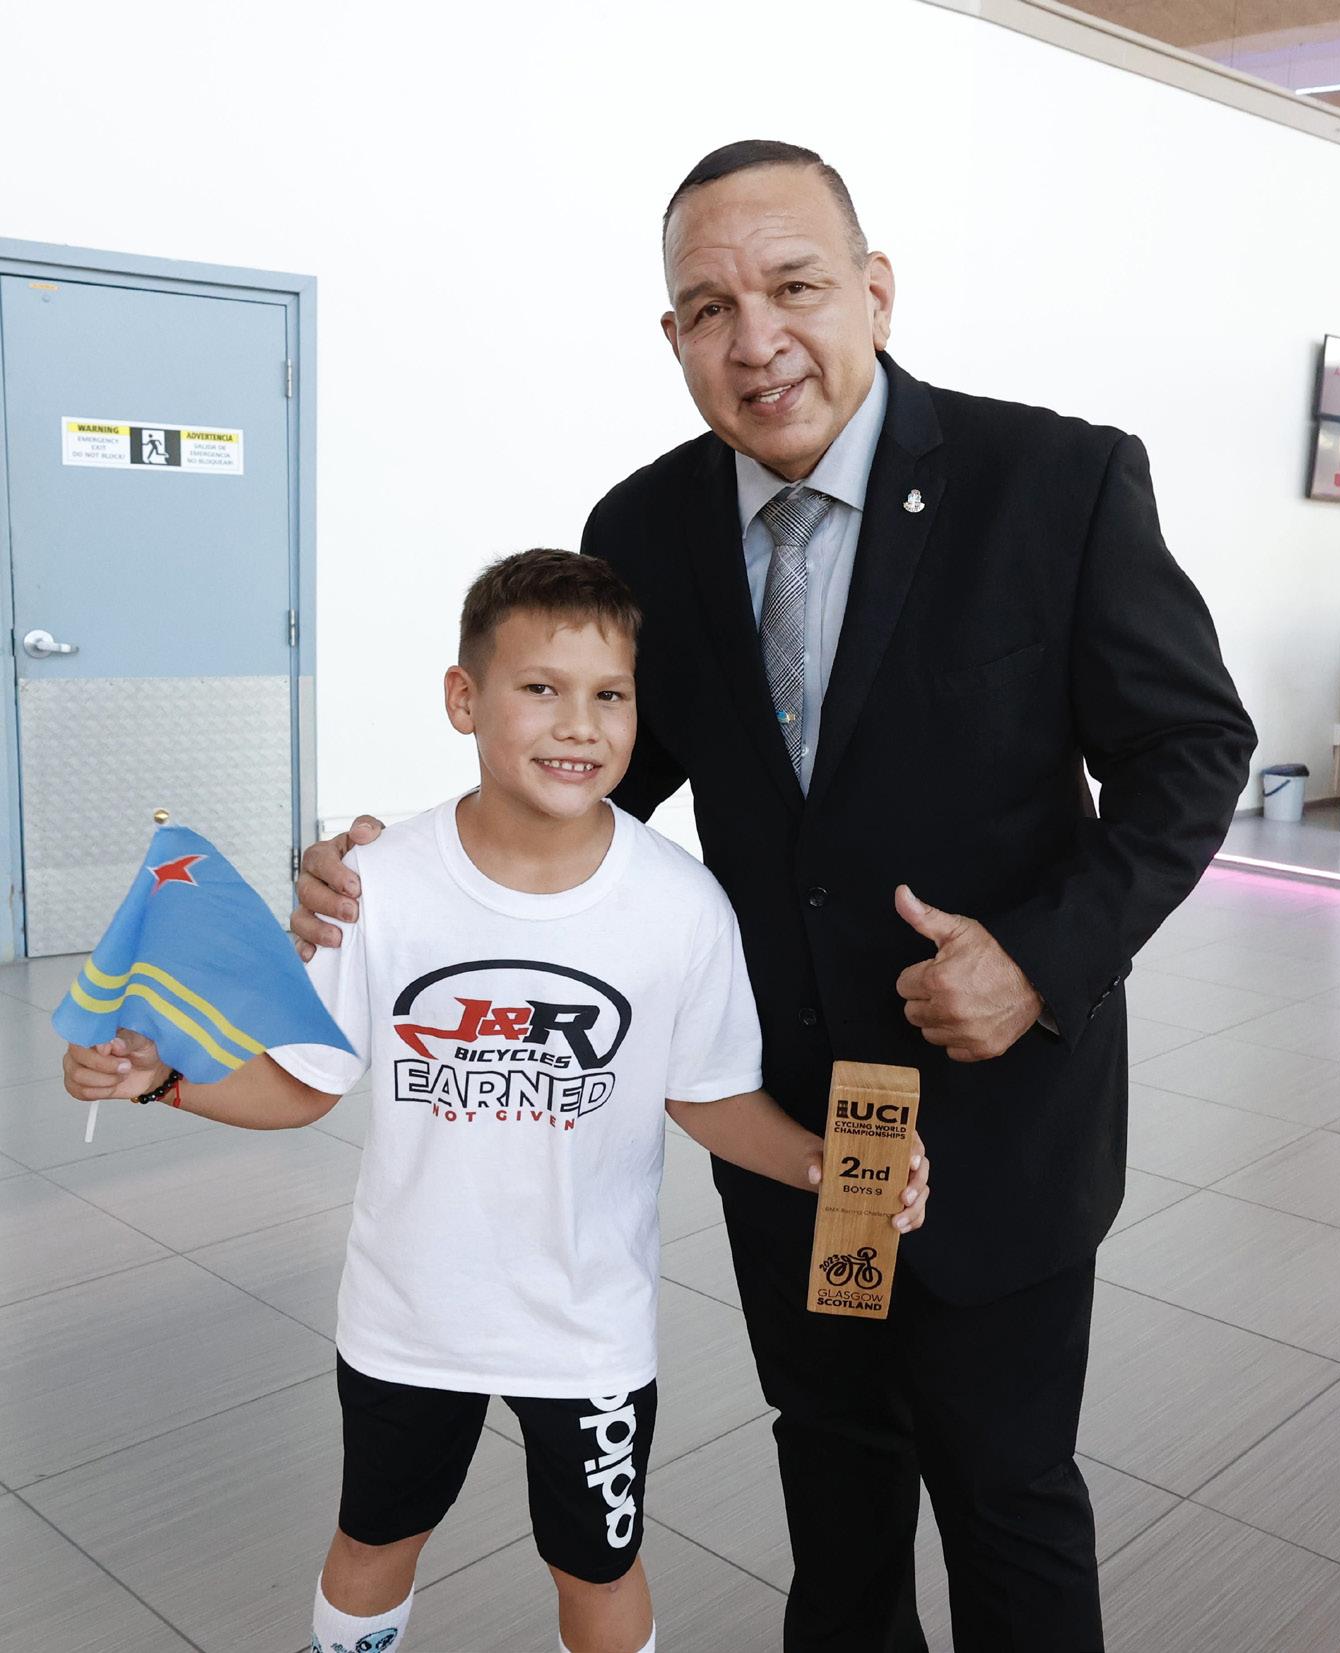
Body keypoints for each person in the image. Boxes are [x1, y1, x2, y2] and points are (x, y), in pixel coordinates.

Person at [294, 143, 1256, 1651]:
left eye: (795, 286)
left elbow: (1189, 749)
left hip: (992, 1107)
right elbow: (601, 778)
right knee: (836, 1475)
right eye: (708, 308)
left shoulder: (1053, 483)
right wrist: (410, 865)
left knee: (1005, 1493)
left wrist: (1038, 957)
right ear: (672, 335)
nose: (757, 340)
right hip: (790, 1115)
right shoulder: (646, 527)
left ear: (874, 290)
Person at [62, 547, 932, 1653]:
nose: (580, 725)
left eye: (609, 695)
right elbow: (303, 1087)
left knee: (597, 1567)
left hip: (587, 1329)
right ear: (462, 699)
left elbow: (706, 1096)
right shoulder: (376, 887)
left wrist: (822, 1165)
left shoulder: (680, 906)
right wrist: (164, 1080)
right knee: (374, 1541)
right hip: (409, 1317)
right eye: (541, 688)